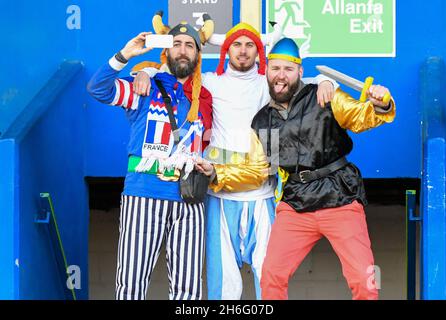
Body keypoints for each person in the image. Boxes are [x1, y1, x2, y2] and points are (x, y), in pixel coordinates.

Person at [132, 20, 337, 300]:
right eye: (237, 45)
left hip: (263, 195)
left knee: (270, 281)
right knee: (223, 288)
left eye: (249, 45)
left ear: (258, 51)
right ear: (227, 50)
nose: (243, 51)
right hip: (220, 195)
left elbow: (310, 83)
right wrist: (145, 71)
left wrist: (327, 81)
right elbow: (171, 74)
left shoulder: (271, 84)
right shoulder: (210, 83)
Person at [251, 38, 396, 300]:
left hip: (339, 195)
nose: (281, 76)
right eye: (275, 69)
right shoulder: (262, 120)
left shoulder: (324, 95)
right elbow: (264, 167)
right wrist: (217, 170)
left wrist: (381, 104)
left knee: (365, 281)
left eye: (288, 69)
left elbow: (361, 116)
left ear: (299, 72)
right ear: (266, 71)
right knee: (271, 275)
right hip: (295, 204)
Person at [86, 17, 215, 300]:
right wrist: (126, 56)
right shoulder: (144, 85)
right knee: (131, 286)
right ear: (166, 52)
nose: (182, 50)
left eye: (189, 45)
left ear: (197, 54)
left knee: (189, 292)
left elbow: (217, 143)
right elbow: (98, 89)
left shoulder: (205, 97)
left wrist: (213, 166)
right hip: (143, 195)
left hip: (190, 201)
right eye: (176, 44)